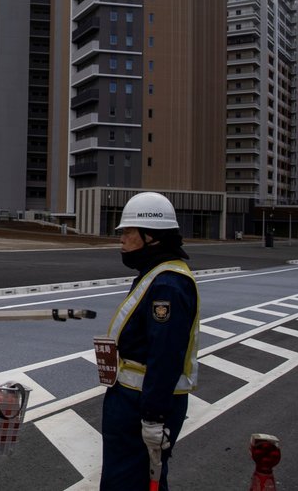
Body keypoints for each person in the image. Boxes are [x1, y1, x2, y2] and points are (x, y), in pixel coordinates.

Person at [100, 192, 200, 490]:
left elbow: (165, 355)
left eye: (128, 232)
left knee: (130, 482)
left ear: (151, 237)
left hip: (142, 404)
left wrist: (154, 417)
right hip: (131, 399)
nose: (121, 239)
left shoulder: (167, 284)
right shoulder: (154, 274)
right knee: (136, 478)